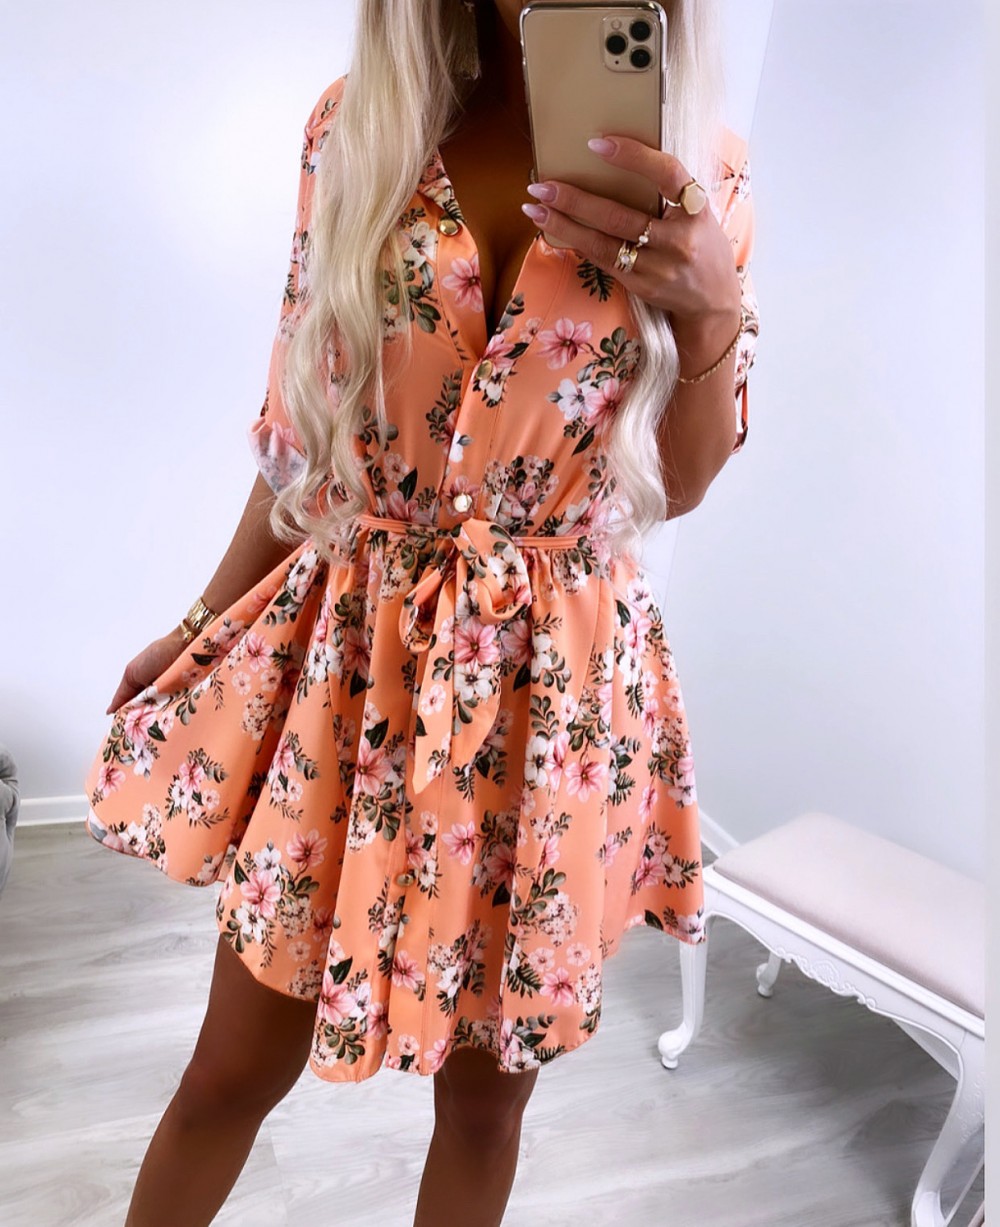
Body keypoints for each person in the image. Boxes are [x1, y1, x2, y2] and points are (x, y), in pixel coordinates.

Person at [84, 0, 759, 1223]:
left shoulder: (702, 169)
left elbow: (688, 480)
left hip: (552, 697)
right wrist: (196, 624)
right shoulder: (357, 130)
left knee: (486, 1110)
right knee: (228, 1074)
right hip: (357, 670)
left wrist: (710, 309)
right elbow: (303, 447)